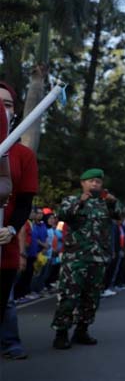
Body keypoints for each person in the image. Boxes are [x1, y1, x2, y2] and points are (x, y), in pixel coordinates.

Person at [52, 168, 125, 349]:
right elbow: (63, 216)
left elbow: (120, 215)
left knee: (91, 298)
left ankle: (82, 331)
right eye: (91, 181)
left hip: (98, 258)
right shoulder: (71, 199)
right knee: (69, 296)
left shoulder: (105, 203)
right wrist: (80, 201)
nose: (95, 184)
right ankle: (61, 333)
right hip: (75, 258)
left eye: (98, 182)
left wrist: (113, 202)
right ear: (83, 183)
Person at [0, 81, 36, 317]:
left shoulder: (23, 155)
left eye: (7, 104)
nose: (2, 109)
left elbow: (24, 202)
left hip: (4, 253)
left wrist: (11, 228)